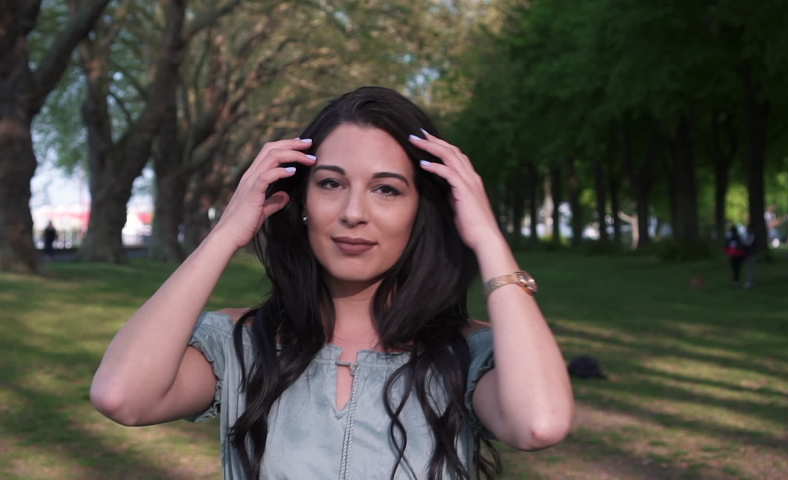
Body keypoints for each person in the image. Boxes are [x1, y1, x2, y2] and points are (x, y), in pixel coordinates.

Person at [90, 86, 574, 480]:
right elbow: (122, 396)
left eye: (387, 189)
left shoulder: (467, 355)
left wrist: (487, 237)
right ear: (301, 200)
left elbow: (540, 423)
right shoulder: (240, 346)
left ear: (420, 211)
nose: (353, 214)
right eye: (330, 183)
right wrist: (225, 234)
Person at [742, 223, 758, 288]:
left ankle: (749, 282)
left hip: (751, 254)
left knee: (750, 269)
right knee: (749, 268)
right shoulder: (748, 235)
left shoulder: (752, 235)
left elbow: (748, 243)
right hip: (748, 254)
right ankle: (749, 281)